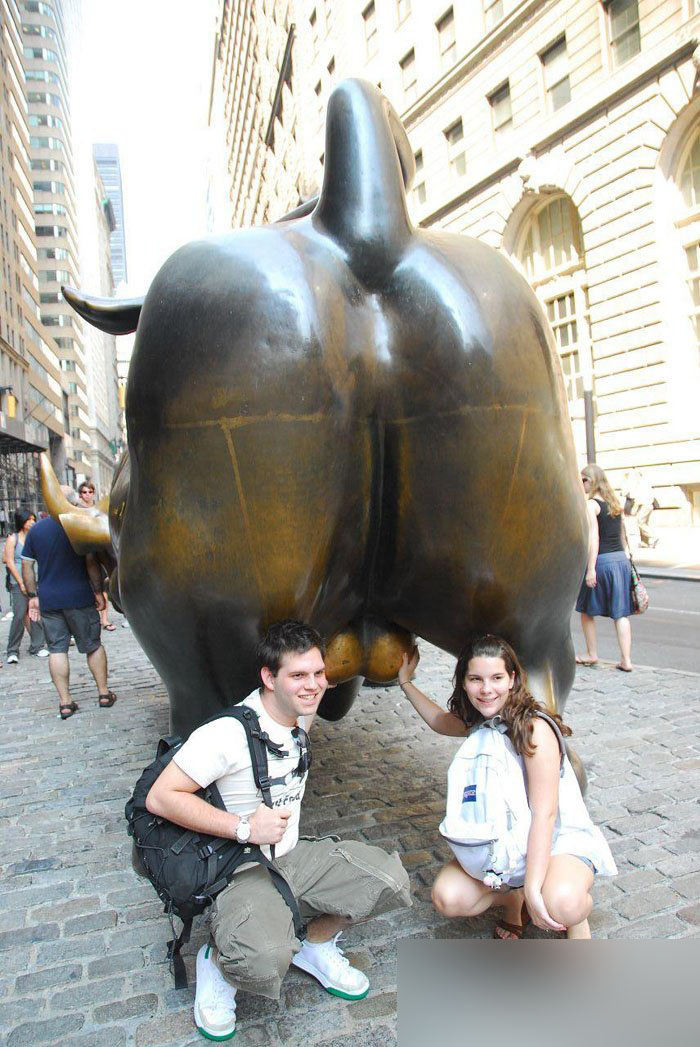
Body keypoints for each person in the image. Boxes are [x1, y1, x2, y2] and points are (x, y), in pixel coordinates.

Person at [146, 619, 411, 1042]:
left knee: (389, 881)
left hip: (291, 856)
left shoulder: (296, 718)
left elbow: (307, 712)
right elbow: (161, 797)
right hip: (241, 867)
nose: (314, 685)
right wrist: (243, 827)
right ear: (269, 678)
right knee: (264, 959)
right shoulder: (227, 733)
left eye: (319, 673)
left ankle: (315, 944)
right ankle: (217, 965)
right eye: (299, 675)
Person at [398, 635, 616, 941]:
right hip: (506, 843)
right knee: (448, 897)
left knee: (562, 903)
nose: (486, 689)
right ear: (464, 683)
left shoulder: (534, 729)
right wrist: (405, 682)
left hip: (556, 842)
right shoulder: (478, 721)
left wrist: (534, 887)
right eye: (476, 679)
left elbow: (544, 815)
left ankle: (575, 918)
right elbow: (438, 720)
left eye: (496, 678)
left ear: (512, 679)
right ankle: (515, 898)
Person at [21, 487, 117, 720]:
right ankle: (104, 693)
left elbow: (27, 566)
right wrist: (98, 591)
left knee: (57, 649)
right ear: (73, 502)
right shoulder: (78, 525)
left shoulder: (36, 530)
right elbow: (91, 563)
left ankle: (65, 702)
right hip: (79, 596)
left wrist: (33, 596)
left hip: (50, 599)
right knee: (93, 645)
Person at [575, 463, 634, 672]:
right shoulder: (614, 503)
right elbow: (623, 533)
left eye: (583, 480)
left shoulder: (592, 505)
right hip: (620, 560)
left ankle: (591, 653)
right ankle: (626, 660)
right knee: (621, 613)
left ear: (591, 481)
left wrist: (591, 569)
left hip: (602, 561)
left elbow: (594, 538)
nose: (581, 484)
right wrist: (627, 557)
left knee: (585, 610)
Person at [3, 509, 48, 664]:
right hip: (18, 581)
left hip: (35, 581)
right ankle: (12, 650)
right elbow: (9, 561)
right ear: (22, 522)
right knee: (19, 614)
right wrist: (21, 583)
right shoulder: (13, 538)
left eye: (33, 519)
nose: (32, 522)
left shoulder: (35, 537)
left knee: (36, 612)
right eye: (29, 520)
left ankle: (37, 646)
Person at [78, 482, 115, 631]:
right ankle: (91, 618)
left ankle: (104, 618)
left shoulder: (99, 509)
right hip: (84, 553)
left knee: (103, 585)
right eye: (84, 492)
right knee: (90, 586)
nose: (87, 495)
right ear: (80, 494)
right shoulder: (77, 510)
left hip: (100, 550)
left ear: (93, 493)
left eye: (90, 492)